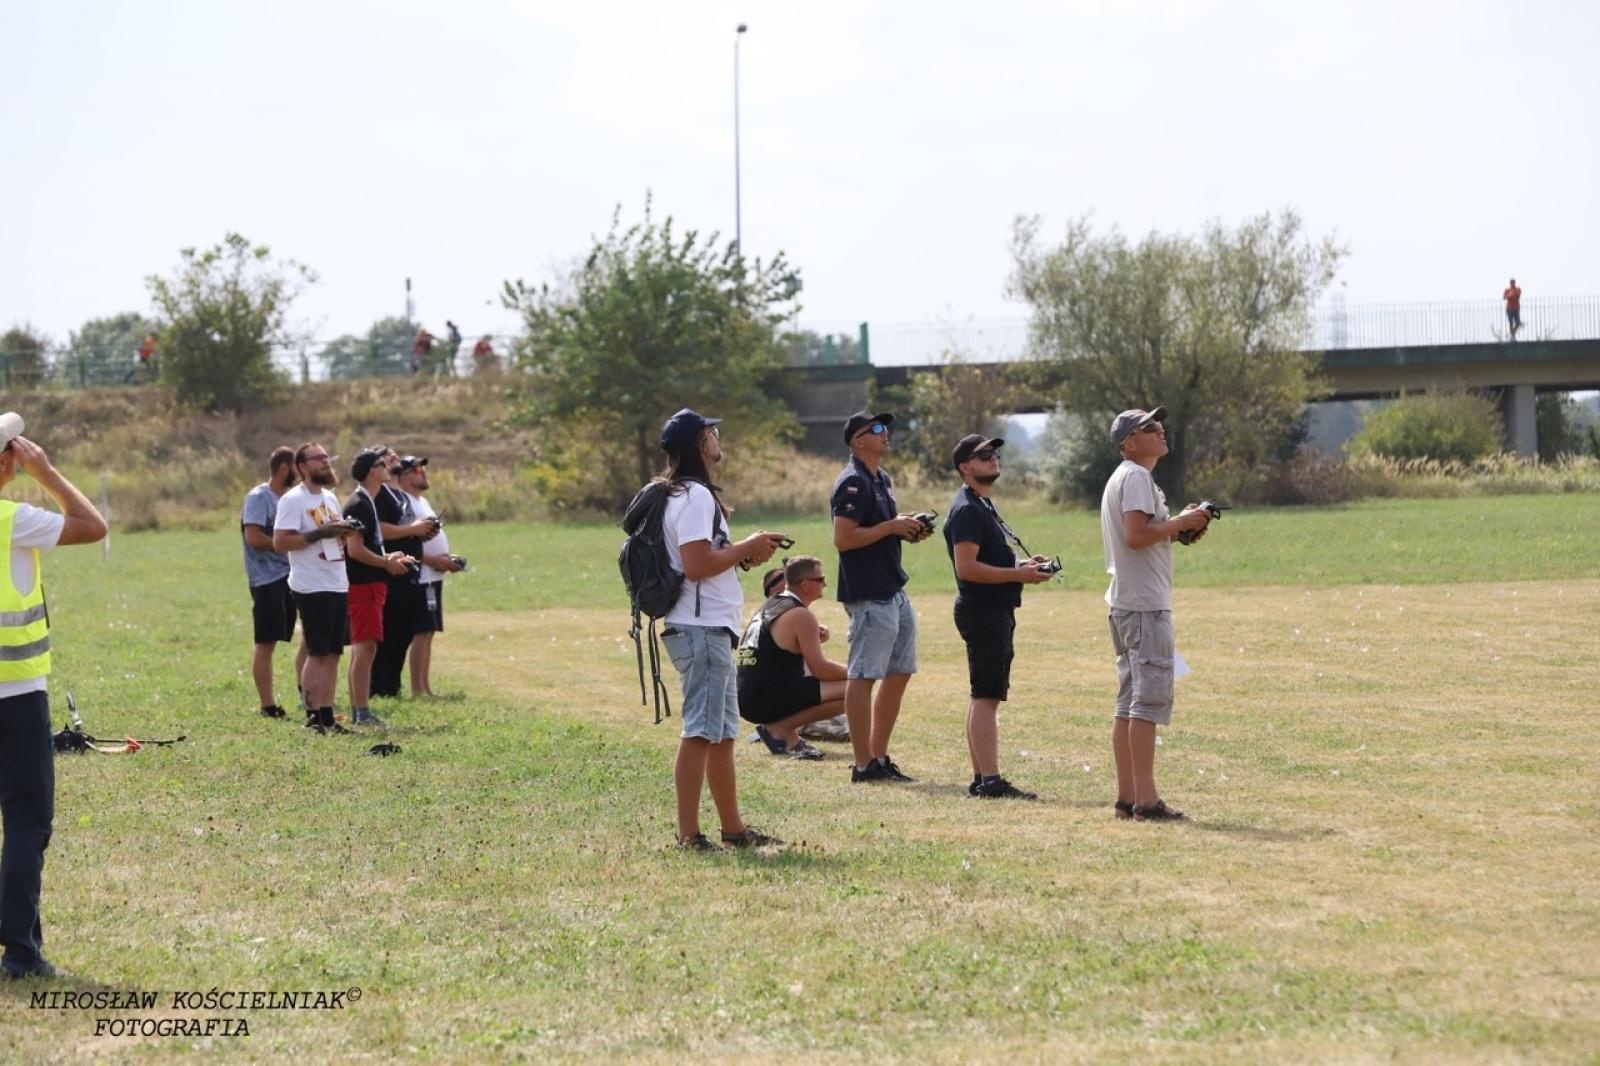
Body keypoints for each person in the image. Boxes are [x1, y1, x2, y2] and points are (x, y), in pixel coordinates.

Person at [0, 411, 108, 980]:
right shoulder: (11, 518)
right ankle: (20, 951)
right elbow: (92, 526)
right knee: (25, 819)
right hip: (13, 693)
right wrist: (47, 473)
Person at [655, 408, 789, 851]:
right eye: (712, 431)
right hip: (701, 628)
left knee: (721, 733)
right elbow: (695, 566)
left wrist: (741, 553)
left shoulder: (684, 494)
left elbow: (704, 559)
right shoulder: (695, 497)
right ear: (700, 444)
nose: (717, 436)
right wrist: (745, 548)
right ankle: (690, 835)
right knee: (700, 731)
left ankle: (733, 830)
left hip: (704, 627)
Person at [1100, 407, 1211, 822]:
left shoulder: (1129, 478)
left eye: (1160, 424)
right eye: (1149, 427)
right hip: (1145, 606)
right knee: (1146, 704)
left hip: (1128, 604)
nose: (1160, 429)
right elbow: (1135, 535)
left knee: (1129, 702)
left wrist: (1180, 527)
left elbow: (1148, 534)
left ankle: (1127, 797)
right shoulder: (1136, 477)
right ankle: (1146, 802)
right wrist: (1178, 522)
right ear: (1129, 443)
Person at [943, 434, 1054, 799]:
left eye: (995, 453)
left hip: (992, 608)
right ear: (965, 468)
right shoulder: (967, 510)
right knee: (985, 695)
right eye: (984, 455)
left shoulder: (981, 504)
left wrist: (1023, 565)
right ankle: (990, 780)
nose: (994, 459)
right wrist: (1017, 575)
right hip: (983, 609)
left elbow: (987, 561)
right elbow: (968, 568)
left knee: (983, 695)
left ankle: (981, 777)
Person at [831, 411, 934, 784]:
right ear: (858, 442)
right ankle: (863, 765)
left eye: (884, 426)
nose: (884, 432)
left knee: (900, 671)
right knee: (863, 676)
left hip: (893, 589)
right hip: (868, 593)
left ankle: (878, 755)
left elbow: (876, 530)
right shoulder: (852, 483)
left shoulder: (882, 479)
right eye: (875, 429)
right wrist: (891, 526)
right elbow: (843, 539)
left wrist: (906, 528)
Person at [274, 443, 361, 734]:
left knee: (334, 653)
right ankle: (312, 718)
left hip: (336, 581)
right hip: (311, 586)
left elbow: (335, 539)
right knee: (317, 651)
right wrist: (320, 533)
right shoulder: (292, 500)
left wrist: (344, 533)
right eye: (319, 459)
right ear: (302, 467)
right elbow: (281, 542)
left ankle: (327, 715)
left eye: (327, 457)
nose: (326, 462)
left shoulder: (330, 498)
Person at [737, 555, 848, 760]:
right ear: (805, 584)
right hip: (764, 697)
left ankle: (788, 734)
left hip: (746, 696)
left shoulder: (772, 604)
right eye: (820, 578)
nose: (825, 583)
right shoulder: (800, 615)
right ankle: (779, 730)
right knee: (853, 688)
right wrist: (858, 671)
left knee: (847, 684)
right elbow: (820, 669)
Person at [341, 447, 416, 728]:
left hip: (370, 584)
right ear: (373, 471)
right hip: (363, 585)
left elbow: (369, 545)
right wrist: (385, 563)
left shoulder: (369, 501)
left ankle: (360, 710)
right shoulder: (359, 503)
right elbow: (355, 549)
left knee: (366, 647)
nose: (389, 467)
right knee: (365, 648)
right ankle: (361, 713)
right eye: (383, 463)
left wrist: (390, 556)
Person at [240, 445, 307, 719]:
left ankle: (310, 697)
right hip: (267, 580)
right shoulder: (259, 497)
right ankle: (268, 706)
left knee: (311, 635)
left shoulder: (293, 499)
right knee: (266, 642)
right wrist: (287, 545)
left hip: (294, 577)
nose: (301, 473)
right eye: (296, 467)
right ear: (283, 469)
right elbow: (253, 538)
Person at [370, 450, 436, 700]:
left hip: (408, 574)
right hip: (390, 573)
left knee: (402, 633)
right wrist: (413, 529)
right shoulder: (377, 496)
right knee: (386, 633)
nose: (396, 460)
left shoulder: (397, 495)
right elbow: (379, 530)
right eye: (391, 457)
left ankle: (391, 686)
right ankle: (376, 688)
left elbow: (403, 529)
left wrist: (420, 534)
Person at [396, 456, 460, 697]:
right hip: (421, 576)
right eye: (415, 470)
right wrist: (434, 560)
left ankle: (425, 686)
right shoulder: (406, 503)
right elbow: (408, 543)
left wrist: (446, 558)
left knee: (429, 631)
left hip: (433, 576)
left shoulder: (421, 501)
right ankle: (417, 689)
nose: (422, 473)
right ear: (402, 478)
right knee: (421, 632)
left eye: (422, 469)